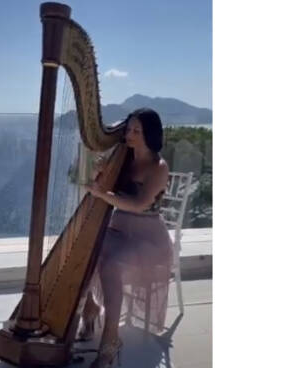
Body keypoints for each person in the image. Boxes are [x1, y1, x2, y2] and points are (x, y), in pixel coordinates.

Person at [82, 108, 173, 368]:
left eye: (137, 131)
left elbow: (139, 204)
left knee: (111, 264)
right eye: (128, 129)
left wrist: (103, 195)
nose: (130, 135)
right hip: (120, 229)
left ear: (151, 134)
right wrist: (100, 172)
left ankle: (110, 338)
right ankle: (90, 306)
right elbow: (99, 186)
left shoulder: (159, 167)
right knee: (89, 247)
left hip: (147, 239)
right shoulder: (123, 158)